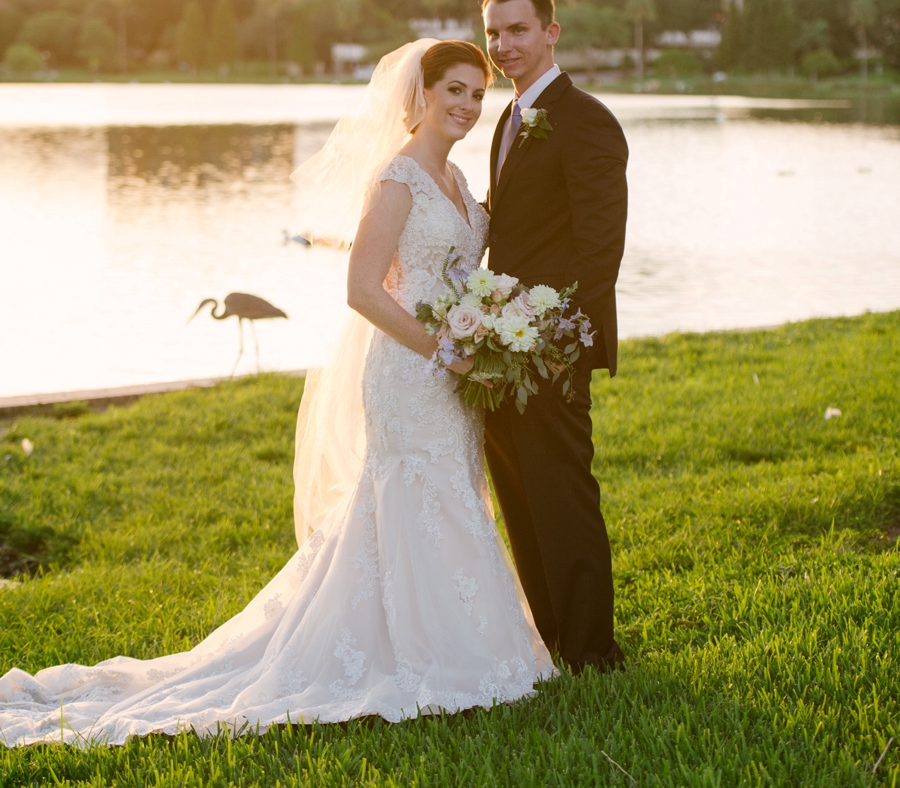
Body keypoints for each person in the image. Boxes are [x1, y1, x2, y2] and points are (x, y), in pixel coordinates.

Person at [0, 39, 551, 748]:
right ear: (420, 93)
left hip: (455, 374)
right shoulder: (398, 179)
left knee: (451, 493)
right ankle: (422, 654)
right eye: (454, 90)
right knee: (414, 495)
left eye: (478, 94)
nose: (468, 107)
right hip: (412, 373)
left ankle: (466, 642)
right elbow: (361, 290)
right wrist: (444, 346)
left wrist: (483, 331)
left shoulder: (454, 178)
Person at [482, 0, 628, 675]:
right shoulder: (506, 120)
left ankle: (594, 651)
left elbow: (600, 251)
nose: (503, 45)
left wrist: (555, 341)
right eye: (493, 34)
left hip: (552, 348)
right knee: (521, 496)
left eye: (516, 29)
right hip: (499, 349)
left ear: (550, 30)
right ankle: (550, 641)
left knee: (564, 494)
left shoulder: (586, 120)